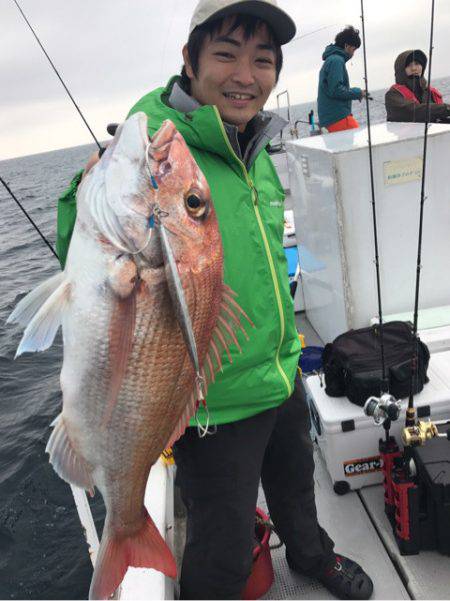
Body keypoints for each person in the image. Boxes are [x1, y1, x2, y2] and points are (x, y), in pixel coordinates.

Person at [56, 1, 374, 599]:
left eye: (263, 61)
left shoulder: (256, 147)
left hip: (279, 373)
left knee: (295, 487)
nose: (245, 76)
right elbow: (85, 251)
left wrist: (288, 353)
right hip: (212, 405)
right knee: (222, 545)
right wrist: (86, 188)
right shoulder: (158, 150)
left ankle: (310, 555)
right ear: (190, 60)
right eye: (225, 54)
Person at [317, 26, 366, 133]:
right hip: (339, 119)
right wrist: (357, 92)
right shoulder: (336, 61)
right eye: (354, 49)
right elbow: (336, 90)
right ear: (347, 46)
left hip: (330, 120)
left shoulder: (331, 59)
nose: (353, 54)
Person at [385, 49, 450, 123]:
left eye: (417, 63)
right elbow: (412, 112)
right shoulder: (392, 95)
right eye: (409, 65)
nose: (414, 68)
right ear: (401, 70)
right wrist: (446, 108)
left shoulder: (430, 92)